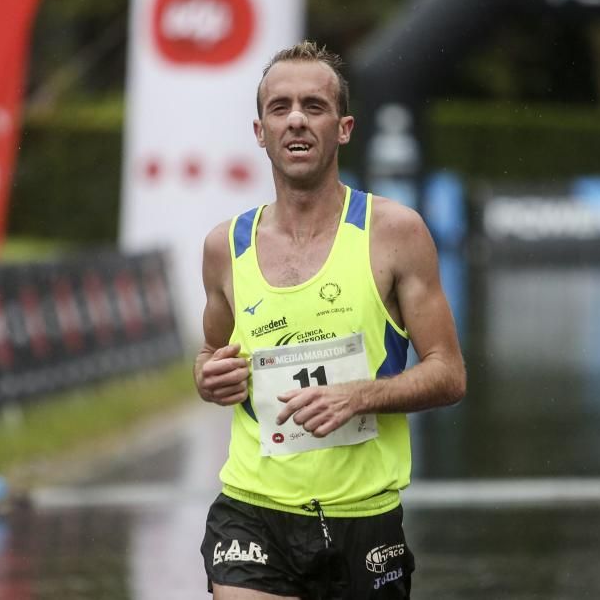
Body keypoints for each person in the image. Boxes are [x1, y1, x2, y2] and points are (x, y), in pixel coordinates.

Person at [195, 41, 466, 599]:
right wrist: (208, 376)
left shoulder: (395, 232)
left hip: (363, 516)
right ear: (260, 131)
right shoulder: (225, 246)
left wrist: (358, 396)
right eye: (281, 107)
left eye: (314, 106)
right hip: (253, 509)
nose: (296, 118)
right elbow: (213, 357)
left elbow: (449, 374)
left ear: (343, 128)